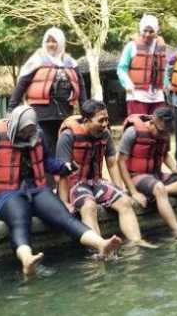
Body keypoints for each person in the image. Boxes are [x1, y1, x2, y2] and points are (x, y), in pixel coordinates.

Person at [0, 105, 121, 276]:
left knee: (64, 217)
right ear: (16, 125)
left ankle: (101, 244)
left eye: (31, 129)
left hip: (37, 189)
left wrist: (65, 167)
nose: (28, 134)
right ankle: (27, 259)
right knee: (20, 222)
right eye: (24, 130)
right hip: (7, 193)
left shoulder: (37, 134)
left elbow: (47, 162)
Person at [56, 99, 156, 248]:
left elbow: (112, 163)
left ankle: (136, 242)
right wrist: (64, 202)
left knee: (124, 202)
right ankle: (99, 248)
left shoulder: (105, 135)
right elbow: (61, 172)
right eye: (101, 120)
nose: (105, 124)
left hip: (96, 181)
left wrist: (119, 188)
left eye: (107, 119)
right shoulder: (68, 136)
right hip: (74, 183)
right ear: (87, 120)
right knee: (89, 206)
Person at [116, 107, 177, 239]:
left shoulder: (164, 133)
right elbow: (120, 162)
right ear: (154, 121)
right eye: (161, 131)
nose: (163, 135)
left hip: (156, 175)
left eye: (165, 132)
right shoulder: (132, 132)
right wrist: (133, 192)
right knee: (159, 187)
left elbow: (165, 154)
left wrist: (175, 169)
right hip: (137, 177)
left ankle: (156, 194)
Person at [9, 27, 86, 153]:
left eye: (54, 41)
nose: (51, 44)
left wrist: (85, 110)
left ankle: (61, 171)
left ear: (61, 42)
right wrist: (11, 108)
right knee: (46, 146)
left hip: (65, 112)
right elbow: (22, 84)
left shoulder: (71, 63)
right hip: (42, 114)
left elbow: (81, 86)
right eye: (48, 41)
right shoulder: (37, 60)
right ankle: (46, 172)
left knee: (63, 145)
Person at [116, 14, 167, 115]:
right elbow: (121, 68)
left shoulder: (161, 47)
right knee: (139, 126)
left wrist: (166, 85)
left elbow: (164, 69)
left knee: (158, 127)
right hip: (136, 95)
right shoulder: (131, 46)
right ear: (140, 30)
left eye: (151, 31)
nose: (147, 34)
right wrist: (127, 83)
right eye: (145, 31)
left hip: (157, 96)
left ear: (156, 32)